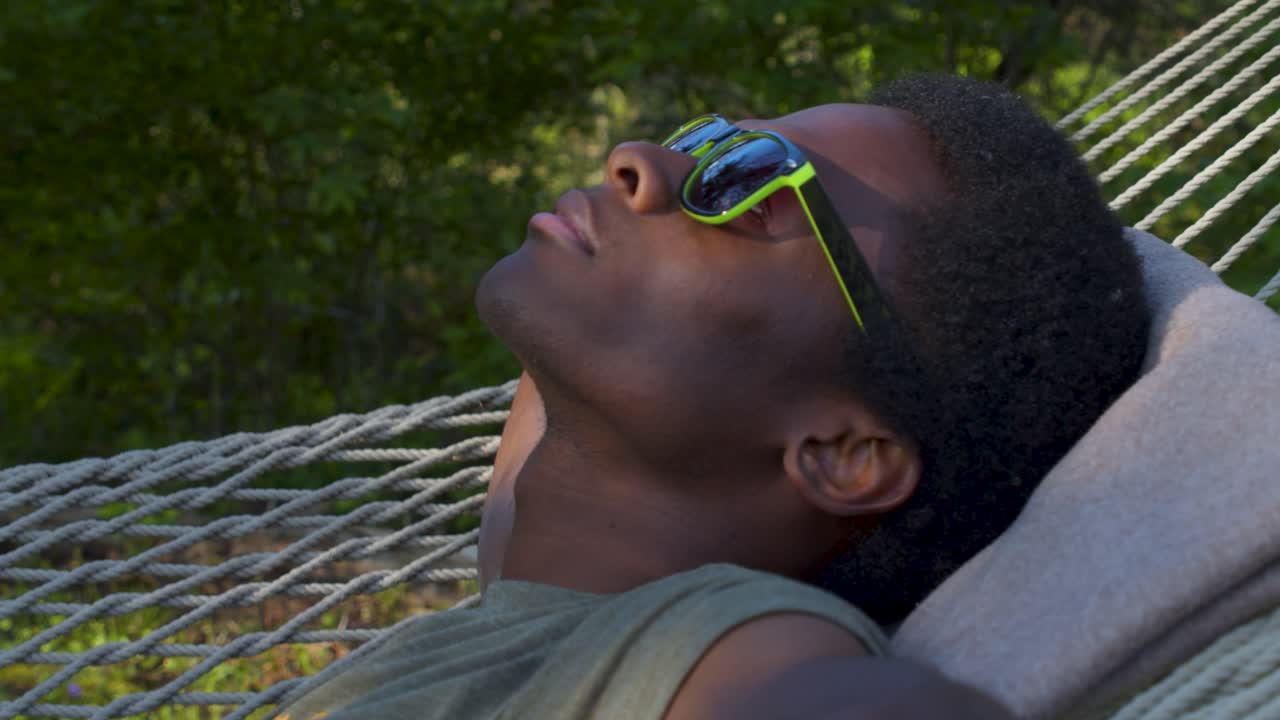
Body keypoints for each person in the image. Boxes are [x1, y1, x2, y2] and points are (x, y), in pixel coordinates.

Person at [280, 73, 1149, 719]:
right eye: (704, 143)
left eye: (749, 184)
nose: (639, 161)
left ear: (843, 454)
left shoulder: (727, 640)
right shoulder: (535, 573)